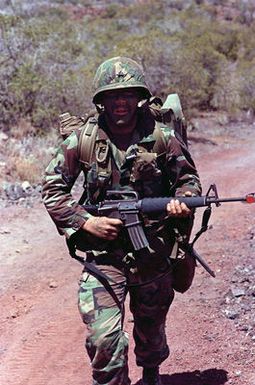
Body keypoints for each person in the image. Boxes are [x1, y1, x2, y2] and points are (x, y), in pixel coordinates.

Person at [42, 56, 202, 385]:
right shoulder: (82, 141)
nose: (120, 102)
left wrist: (183, 204)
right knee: (103, 340)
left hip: (153, 253)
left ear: (139, 97)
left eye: (127, 94)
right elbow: (53, 189)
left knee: (151, 329)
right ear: (102, 100)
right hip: (104, 258)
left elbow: (189, 182)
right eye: (113, 95)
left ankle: (151, 374)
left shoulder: (162, 136)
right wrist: (85, 221)